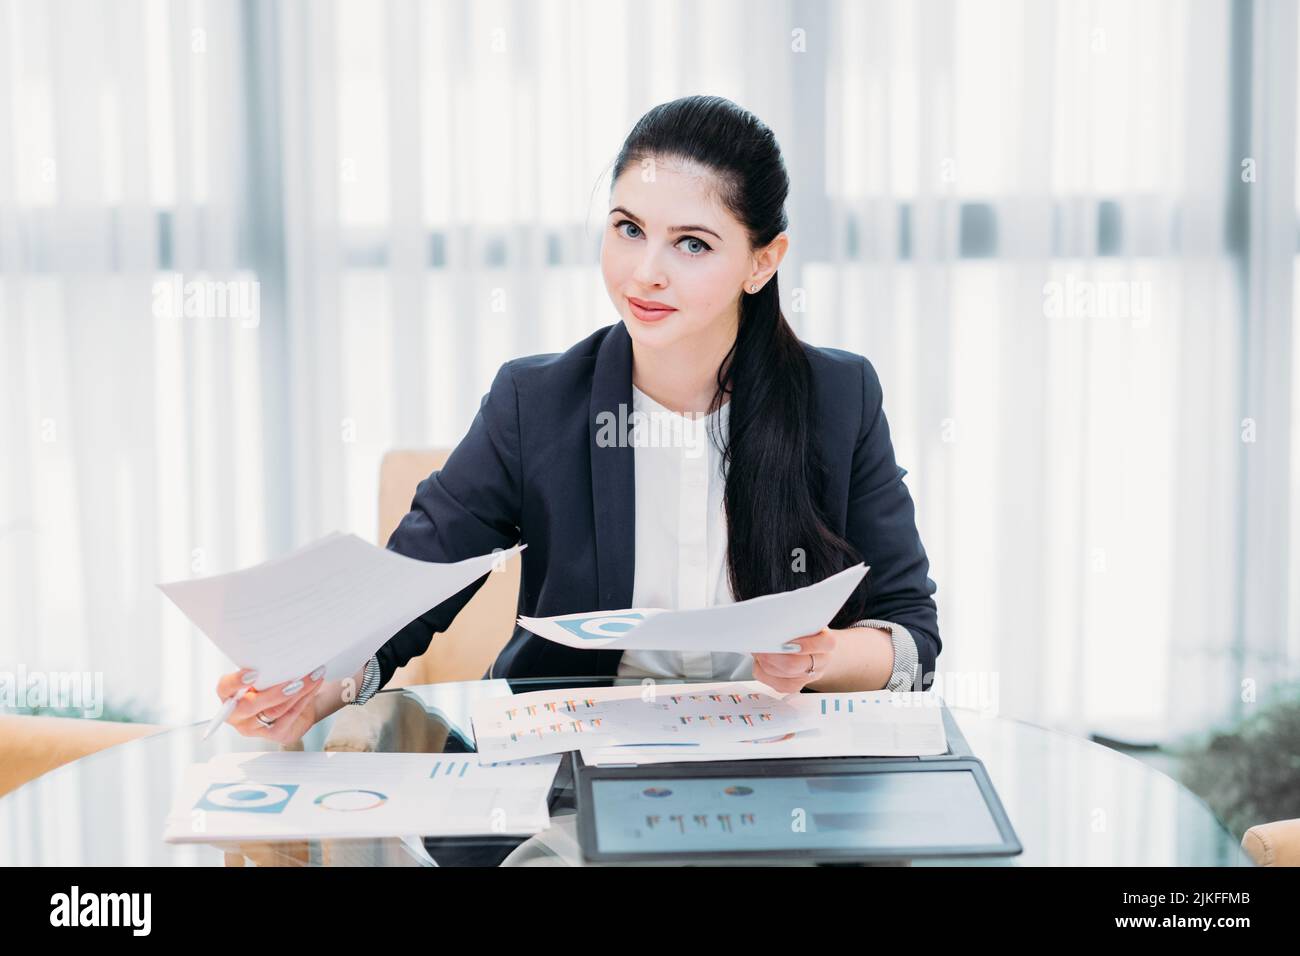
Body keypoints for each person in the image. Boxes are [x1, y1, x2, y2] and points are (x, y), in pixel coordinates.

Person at [216, 94, 941, 744]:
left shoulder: (838, 398)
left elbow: (911, 632)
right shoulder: (536, 404)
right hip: (575, 768)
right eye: (628, 229)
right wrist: (314, 687)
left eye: (692, 244)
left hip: (783, 767)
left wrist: (827, 656)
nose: (645, 272)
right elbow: (409, 590)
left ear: (762, 262)